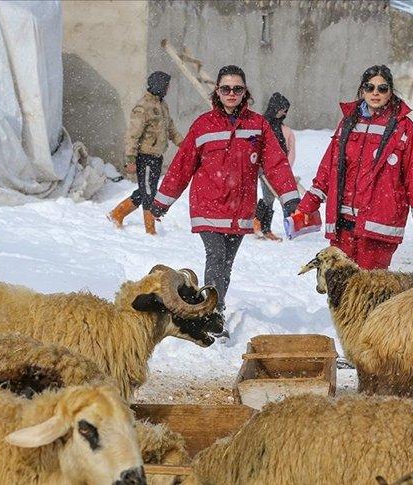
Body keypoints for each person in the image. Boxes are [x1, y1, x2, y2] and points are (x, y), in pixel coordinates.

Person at [149, 65, 300, 313]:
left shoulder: (258, 125)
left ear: (245, 92)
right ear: (217, 91)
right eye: (226, 88)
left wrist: (290, 198)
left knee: (226, 265)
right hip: (208, 204)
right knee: (216, 257)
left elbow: (276, 163)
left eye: (237, 89)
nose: (231, 93)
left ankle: (214, 304)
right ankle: (212, 313)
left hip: (240, 209)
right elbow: (182, 166)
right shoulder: (203, 125)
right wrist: (162, 201)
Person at [295, 64, 413, 270]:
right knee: (340, 289)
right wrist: (307, 205)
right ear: (362, 90)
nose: (375, 93)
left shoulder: (403, 128)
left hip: (378, 227)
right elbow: (329, 168)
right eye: (369, 87)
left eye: (382, 88)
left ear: (390, 92)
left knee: (369, 291)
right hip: (343, 224)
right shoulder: (348, 123)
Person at [108, 71, 184, 235]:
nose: (168, 89)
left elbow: (170, 129)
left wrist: (185, 145)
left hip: (157, 157)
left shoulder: (162, 105)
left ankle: (117, 214)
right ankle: (150, 231)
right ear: (158, 86)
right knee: (149, 193)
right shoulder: (143, 107)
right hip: (145, 157)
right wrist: (130, 159)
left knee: (145, 190)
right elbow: (133, 135)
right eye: (166, 86)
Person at [253, 92, 296, 241]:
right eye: (282, 109)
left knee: (270, 197)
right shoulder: (262, 125)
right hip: (264, 168)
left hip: (279, 169)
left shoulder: (283, 129)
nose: (284, 113)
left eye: (286, 110)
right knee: (269, 197)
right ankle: (262, 226)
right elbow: (255, 145)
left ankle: (260, 225)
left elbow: (289, 150)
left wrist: (285, 168)